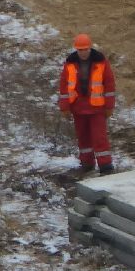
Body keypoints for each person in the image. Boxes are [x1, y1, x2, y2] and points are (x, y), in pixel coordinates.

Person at [57, 33, 116, 175]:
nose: (83, 52)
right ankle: (87, 164)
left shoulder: (101, 62)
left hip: (97, 108)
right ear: (76, 49)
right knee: (83, 139)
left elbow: (109, 85)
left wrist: (109, 106)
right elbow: (64, 86)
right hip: (78, 108)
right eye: (80, 50)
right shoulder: (70, 64)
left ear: (90, 48)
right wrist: (64, 107)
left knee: (99, 138)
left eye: (85, 49)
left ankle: (105, 166)